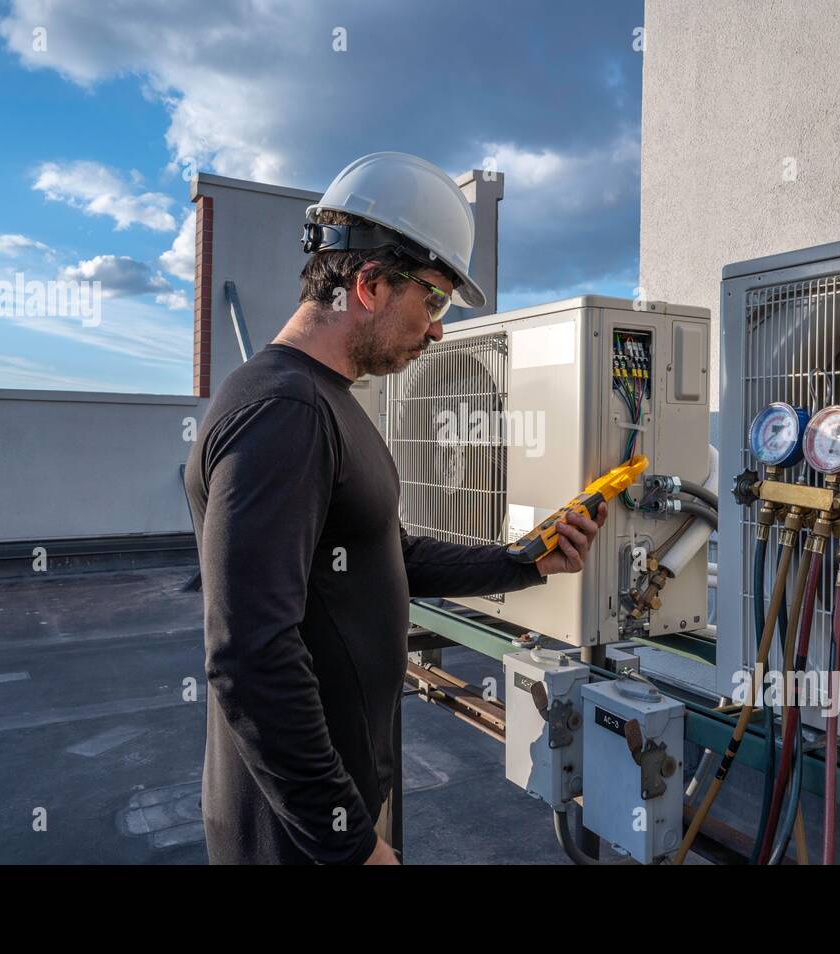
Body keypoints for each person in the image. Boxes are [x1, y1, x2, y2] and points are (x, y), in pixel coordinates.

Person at [184, 152, 606, 865]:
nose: (440, 329)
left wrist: (524, 560)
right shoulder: (284, 412)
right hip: (295, 839)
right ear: (371, 283)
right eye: (435, 300)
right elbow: (250, 656)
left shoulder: (323, 402)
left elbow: (385, 553)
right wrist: (347, 840)